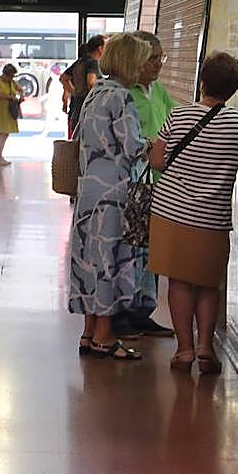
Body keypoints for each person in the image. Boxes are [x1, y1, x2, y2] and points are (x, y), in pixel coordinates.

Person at [148, 52, 238, 373]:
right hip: (212, 216)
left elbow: (156, 161)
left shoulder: (179, 116)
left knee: (179, 282)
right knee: (208, 283)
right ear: (234, 88)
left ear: (203, 79)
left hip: (171, 212)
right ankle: (206, 347)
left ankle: (184, 351)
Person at [67, 32, 151, 361]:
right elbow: (132, 147)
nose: (146, 66)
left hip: (89, 188)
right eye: (143, 59)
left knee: (90, 259)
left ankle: (88, 333)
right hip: (114, 192)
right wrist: (154, 143)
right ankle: (104, 337)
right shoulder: (122, 97)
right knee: (109, 262)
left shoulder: (95, 92)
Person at [115, 31, 177, 339]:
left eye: (160, 58)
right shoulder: (123, 95)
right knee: (129, 245)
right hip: (130, 181)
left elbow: (175, 121)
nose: (158, 64)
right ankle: (122, 311)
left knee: (149, 248)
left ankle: (143, 309)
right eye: (152, 58)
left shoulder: (159, 91)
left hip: (157, 182)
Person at [61, 35, 106, 138]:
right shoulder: (93, 63)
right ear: (100, 48)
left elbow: (63, 78)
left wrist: (75, 93)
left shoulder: (79, 62)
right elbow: (91, 82)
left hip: (76, 110)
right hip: (89, 114)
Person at [0, 63, 24, 167]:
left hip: (7, 110)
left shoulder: (12, 82)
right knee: (0, 132)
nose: (12, 78)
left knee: (5, 132)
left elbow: (20, 90)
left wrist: (21, 95)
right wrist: (9, 97)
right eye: (11, 76)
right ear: (5, 74)